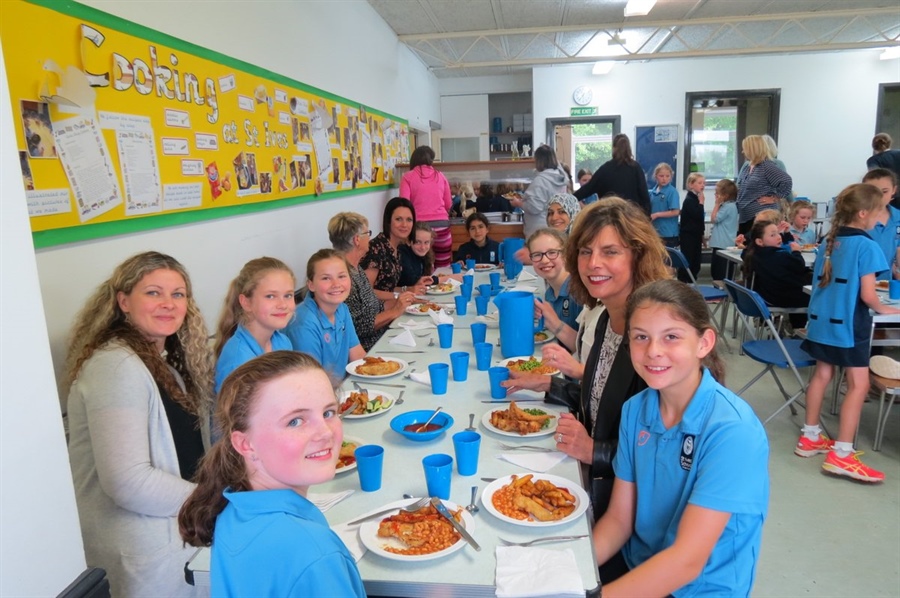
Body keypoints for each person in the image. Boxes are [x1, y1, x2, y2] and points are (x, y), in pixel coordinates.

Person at [500, 198, 670, 531]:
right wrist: (549, 384)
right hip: (594, 484)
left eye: (610, 252)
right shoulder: (606, 319)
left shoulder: (654, 336)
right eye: (585, 251)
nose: (594, 264)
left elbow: (667, 451)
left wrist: (596, 451)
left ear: (637, 254)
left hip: (636, 515)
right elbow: (600, 400)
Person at [593, 279, 769, 594]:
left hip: (699, 587)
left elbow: (687, 560)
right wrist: (572, 570)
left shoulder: (732, 431)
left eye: (671, 337)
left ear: (704, 343)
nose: (653, 352)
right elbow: (620, 519)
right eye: (641, 337)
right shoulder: (636, 410)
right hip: (640, 565)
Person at [65, 251, 213, 597]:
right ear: (123, 302)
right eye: (153, 292)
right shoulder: (114, 366)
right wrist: (209, 499)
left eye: (178, 294)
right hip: (144, 552)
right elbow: (127, 481)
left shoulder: (161, 363)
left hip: (177, 533)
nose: (168, 303)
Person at [178, 351, 366, 597]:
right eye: (295, 421)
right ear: (246, 445)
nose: (325, 433)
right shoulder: (317, 555)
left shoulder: (232, 508)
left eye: (328, 412)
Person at [797, 183, 900, 482]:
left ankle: (810, 436)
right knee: (858, 384)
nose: (882, 218)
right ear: (864, 213)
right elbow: (869, 296)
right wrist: (889, 309)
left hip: (822, 322)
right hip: (849, 325)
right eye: (880, 211)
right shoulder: (866, 245)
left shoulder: (829, 241)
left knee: (822, 375)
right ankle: (842, 454)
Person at [329, 212, 413, 351]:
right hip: (369, 349)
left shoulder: (357, 268)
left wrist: (405, 300)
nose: (370, 237)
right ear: (357, 240)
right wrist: (396, 310)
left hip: (382, 338)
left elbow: (374, 307)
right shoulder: (343, 277)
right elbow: (360, 327)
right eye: (367, 233)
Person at [214, 257, 296, 394]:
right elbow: (236, 415)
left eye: (288, 295)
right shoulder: (238, 361)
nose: (282, 305)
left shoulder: (283, 342)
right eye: (270, 296)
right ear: (246, 303)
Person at [285, 249, 365, 384]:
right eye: (326, 278)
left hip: (341, 388)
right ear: (311, 285)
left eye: (341, 276)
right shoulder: (304, 324)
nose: (336, 284)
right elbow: (312, 382)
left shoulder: (342, 309)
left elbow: (357, 356)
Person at [741, 220, 811, 329]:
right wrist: (797, 252)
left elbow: (747, 248)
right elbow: (799, 265)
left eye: (778, 233)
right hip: (781, 298)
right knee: (812, 292)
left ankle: (793, 326)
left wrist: (786, 235)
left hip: (766, 296)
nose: (779, 237)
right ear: (759, 241)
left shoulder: (752, 254)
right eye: (773, 235)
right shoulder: (780, 257)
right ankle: (798, 328)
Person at [528, 228, 583, 352]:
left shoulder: (579, 292)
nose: (545, 260)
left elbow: (588, 353)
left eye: (552, 252)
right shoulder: (550, 293)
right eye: (537, 255)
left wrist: (555, 324)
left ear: (565, 254)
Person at [399, 145, 453, 267]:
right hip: (442, 226)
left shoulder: (408, 177)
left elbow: (404, 204)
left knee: (419, 265)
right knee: (443, 266)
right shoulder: (441, 176)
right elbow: (448, 203)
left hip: (419, 228)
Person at [361, 197, 424, 299]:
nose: (404, 225)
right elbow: (367, 292)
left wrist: (409, 289)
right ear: (388, 221)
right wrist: (399, 296)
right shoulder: (375, 249)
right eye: (398, 219)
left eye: (409, 220)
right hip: (377, 312)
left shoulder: (396, 248)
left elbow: (387, 289)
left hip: (391, 306)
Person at [574, 134, 651, 215]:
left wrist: (570, 198)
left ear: (614, 148)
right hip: (631, 216)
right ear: (629, 148)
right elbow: (644, 195)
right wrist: (647, 217)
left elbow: (588, 188)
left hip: (610, 216)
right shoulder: (636, 168)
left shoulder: (605, 169)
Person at [735, 135, 793, 236]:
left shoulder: (766, 166)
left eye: (745, 149)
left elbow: (786, 181)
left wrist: (775, 197)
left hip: (761, 216)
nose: (743, 152)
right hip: (746, 216)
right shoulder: (748, 167)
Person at [507, 144, 569, 238]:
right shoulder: (560, 178)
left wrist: (519, 203)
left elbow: (534, 207)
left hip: (539, 229)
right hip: (555, 225)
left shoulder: (540, 180)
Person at [863, 168, 900, 281]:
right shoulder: (856, 218)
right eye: (873, 191)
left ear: (894, 190)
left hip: (885, 287)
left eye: (884, 191)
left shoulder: (898, 218)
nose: (879, 197)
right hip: (858, 286)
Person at [708, 178, 738, 283]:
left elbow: (714, 219)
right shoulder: (729, 206)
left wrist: (716, 204)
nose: (715, 195)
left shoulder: (728, 207)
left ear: (725, 196)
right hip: (722, 243)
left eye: (717, 193)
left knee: (720, 272)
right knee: (716, 270)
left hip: (723, 244)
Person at [680, 172, 706, 280]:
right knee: (689, 259)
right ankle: (686, 280)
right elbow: (697, 215)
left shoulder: (695, 198)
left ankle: (692, 279)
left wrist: (702, 235)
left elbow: (700, 221)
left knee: (696, 260)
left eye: (704, 183)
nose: (703, 185)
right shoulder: (690, 200)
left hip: (696, 235)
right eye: (699, 183)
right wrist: (701, 203)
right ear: (691, 184)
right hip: (689, 236)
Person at [649, 163, 680, 247]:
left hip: (668, 233)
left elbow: (675, 212)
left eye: (667, 176)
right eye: (661, 176)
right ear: (656, 176)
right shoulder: (652, 192)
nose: (664, 179)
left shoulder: (672, 192)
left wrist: (657, 215)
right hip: (655, 232)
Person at [867, 133, 900, 199]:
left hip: (890, 196)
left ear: (873, 146)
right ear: (890, 143)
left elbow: (876, 178)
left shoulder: (873, 160)